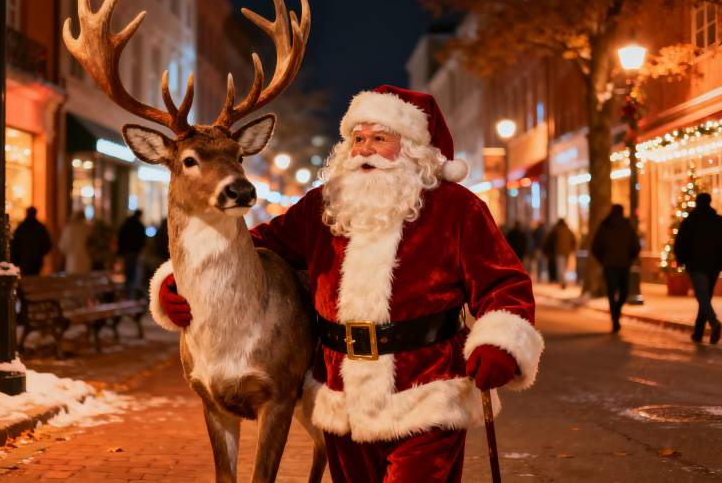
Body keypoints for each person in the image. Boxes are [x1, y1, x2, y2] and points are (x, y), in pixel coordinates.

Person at [151, 86, 544, 481]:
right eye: (358, 139)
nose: (365, 149)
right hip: (342, 398)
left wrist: (500, 342)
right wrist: (174, 281)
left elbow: (504, 282)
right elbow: (246, 246)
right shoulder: (322, 206)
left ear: (411, 147)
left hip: (427, 392)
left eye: (380, 138)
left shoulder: (456, 208)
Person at [674, 192, 722, 344]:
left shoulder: (690, 221)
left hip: (696, 264)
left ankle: (714, 323)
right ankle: (698, 332)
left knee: (702, 297)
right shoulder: (718, 221)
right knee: (705, 297)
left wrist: (681, 260)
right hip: (714, 265)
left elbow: (680, 242)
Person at [591, 205, 641, 333]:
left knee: (621, 292)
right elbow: (596, 246)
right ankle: (615, 317)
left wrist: (630, 257)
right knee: (615, 292)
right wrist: (604, 260)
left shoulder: (625, 226)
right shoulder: (607, 227)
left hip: (620, 264)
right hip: (613, 265)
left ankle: (615, 313)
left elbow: (635, 244)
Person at [10, 207, 52, 276]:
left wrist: (16, 259)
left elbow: (15, 244)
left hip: (25, 259)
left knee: (26, 278)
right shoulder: (40, 227)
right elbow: (47, 244)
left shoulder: (22, 227)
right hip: (36, 259)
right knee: (34, 277)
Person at [117, 209, 146, 297]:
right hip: (135, 251)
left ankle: (127, 288)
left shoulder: (127, 224)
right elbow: (142, 239)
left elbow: (121, 236)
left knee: (127, 269)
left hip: (126, 250)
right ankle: (130, 290)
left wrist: (121, 250)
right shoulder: (139, 226)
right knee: (133, 270)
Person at [549, 218, 576, 288]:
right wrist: (572, 249)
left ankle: (562, 282)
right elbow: (574, 240)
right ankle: (563, 281)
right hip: (567, 252)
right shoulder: (568, 230)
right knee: (564, 267)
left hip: (559, 252)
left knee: (560, 268)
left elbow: (552, 241)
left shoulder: (556, 230)